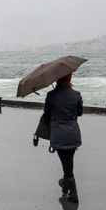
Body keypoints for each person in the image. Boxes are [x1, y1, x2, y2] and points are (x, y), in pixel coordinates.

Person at [42, 73, 83, 203]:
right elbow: (80, 113)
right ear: (69, 79)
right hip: (73, 133)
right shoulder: (76, 94)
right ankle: (65, 185)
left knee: (66, 163)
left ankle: (73, 193)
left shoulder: (51, 95)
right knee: (68, 161)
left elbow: (47, 115)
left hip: (59, 134)